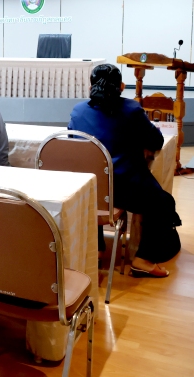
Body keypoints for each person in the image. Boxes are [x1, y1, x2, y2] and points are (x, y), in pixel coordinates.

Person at [69, 64, 181, 277]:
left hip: (89, 188)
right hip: (124, 189)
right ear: (121, 87)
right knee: (162, 202)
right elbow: (156, 141)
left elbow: (75, 144)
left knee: (94, 180)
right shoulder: (131, 110)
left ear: (90, 86)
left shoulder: (78, 111)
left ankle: (97, 249)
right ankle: (143, 259)